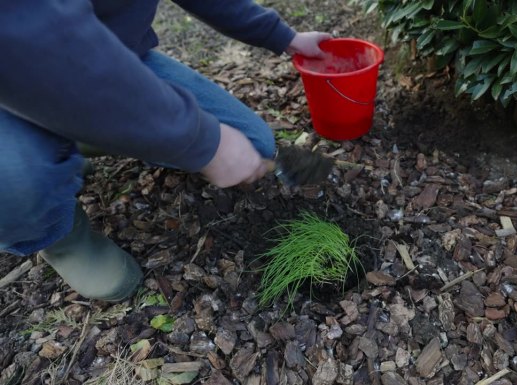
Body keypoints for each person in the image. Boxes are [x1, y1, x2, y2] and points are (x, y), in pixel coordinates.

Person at [0, 0, 331, 302]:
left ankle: (81, 136)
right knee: (13, 177)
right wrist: (200, 140)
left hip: (113, 57)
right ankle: (58, 236)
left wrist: (282, 36)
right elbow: (25, 37)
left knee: (253, 141)